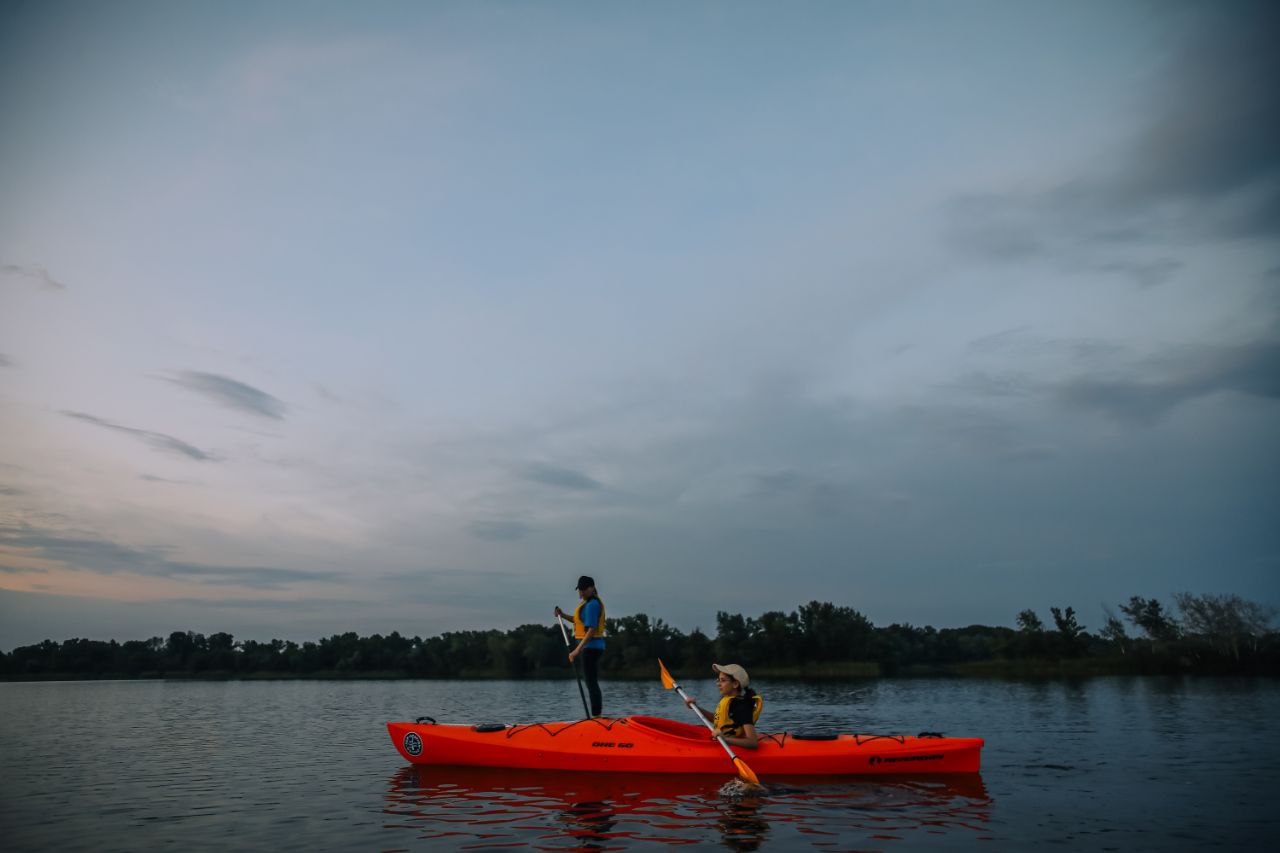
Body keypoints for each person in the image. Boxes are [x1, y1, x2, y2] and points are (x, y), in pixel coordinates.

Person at [554, 575, 606, 716]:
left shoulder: (592, 605)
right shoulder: (588, 604)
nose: (581, 593)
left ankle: (596, 717)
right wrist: (562, 615)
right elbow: (578, 621)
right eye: (580, 590)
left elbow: (591, 630)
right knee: (590, 682)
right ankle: (596, 716)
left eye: (584, 589)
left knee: (591, 683)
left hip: (591, 648)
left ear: (592, 588)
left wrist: (576, 650)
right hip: (591, 648)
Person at [685, 663, 761, 749]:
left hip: (731, 746)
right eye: (719, 680)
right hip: (722, 741)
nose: (718, 684)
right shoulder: (728, 701)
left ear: (735, 684)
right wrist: (696, 708)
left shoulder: (741, 706)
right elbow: (717, 719)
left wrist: (725, 739)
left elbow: (753, 742)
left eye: (723, 680)